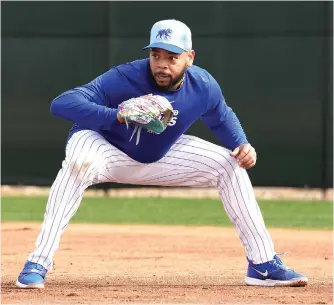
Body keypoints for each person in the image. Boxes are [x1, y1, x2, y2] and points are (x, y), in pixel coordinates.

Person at [16, 19, 308, 289]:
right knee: (79, 162)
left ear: (190, 58)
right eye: (156, 55)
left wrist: (242, 143)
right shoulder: (124, 77)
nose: (162, 64)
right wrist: (116, 115)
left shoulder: (202, 85)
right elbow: (62, 103)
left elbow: (221, 116)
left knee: (228, 165)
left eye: (172, 57)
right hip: (103, 148)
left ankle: (262, 264)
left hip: (158, 155)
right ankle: (38, 261)